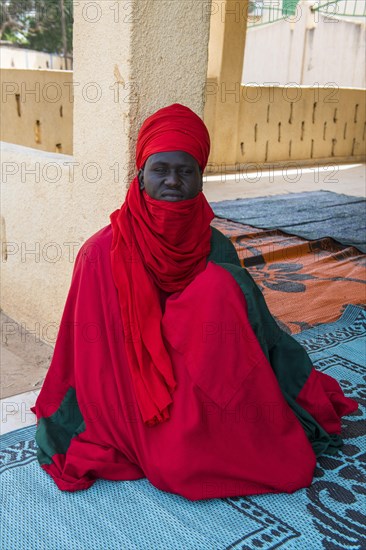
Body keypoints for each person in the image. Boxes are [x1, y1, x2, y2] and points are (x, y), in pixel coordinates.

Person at [32, 104, 357, 499]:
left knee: (221, 288)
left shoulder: (214, 244)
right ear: (140, 177)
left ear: (201, 179)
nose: (172, 181)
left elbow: (244, 334)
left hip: (209, 379)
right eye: (160, 170)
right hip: (137, 387)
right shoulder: (101, 254)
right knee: (177, 464)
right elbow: (91, 355)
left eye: (185, 171)